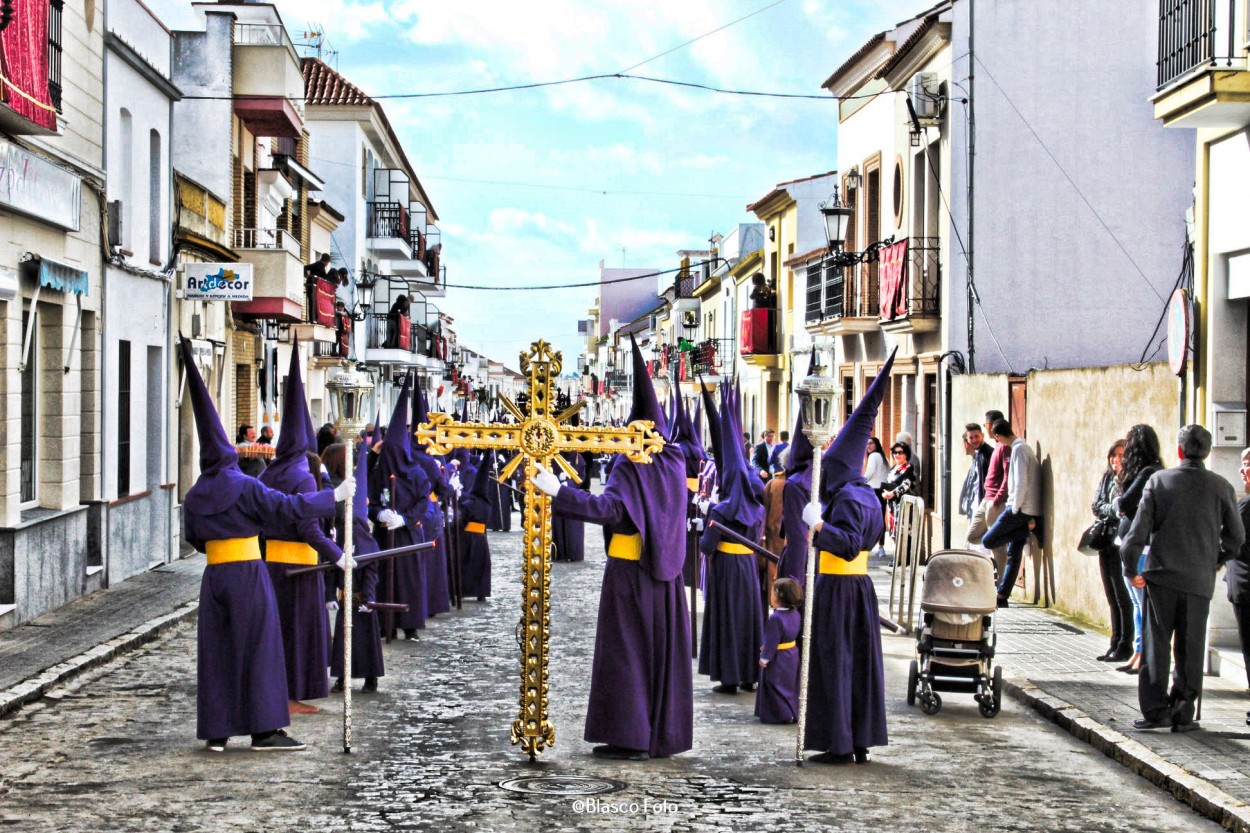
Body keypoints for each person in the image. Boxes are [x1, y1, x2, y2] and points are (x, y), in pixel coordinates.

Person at [178, 338, 350, 753]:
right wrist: (336, 497)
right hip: (247, 573)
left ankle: (217, 732)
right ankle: (264, 730)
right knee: (261, 647)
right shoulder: (243, 485)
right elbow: (288, 507)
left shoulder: (197, 493)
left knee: (218, 652)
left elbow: (195, 541)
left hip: (214, 575)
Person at [533, 336, 692, 760]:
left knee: (625, 656)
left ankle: (629, 735)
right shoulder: (673, 459)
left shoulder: (630, 460)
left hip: (628, 572)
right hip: (667, 576)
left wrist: (559, 492)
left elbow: (611, 509)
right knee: (657, 654)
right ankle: (658, 734)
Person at [799, 349, 895, 764]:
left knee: (837, 662)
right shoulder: (866, 495)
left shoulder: (852, 498)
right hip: (855, 588)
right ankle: (855, 741)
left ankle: (839, 744)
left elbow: (851, 542)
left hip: (841, 587)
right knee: (856, 664)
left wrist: (818, 527)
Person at [1122, 425, 1244, 732]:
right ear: (1207, 451)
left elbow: (1134, 536)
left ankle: (1155, 710)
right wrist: (1215, 559)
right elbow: (1236, 537)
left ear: (1179, 450)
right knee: (1191, 646)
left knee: (1156, 645)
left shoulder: (1159, 482)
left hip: (1161, 576)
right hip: (1198, 579)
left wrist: (1131, 569)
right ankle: (1184, 711)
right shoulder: (1221, 487)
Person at [258, 345, 342, 715]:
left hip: (270, 565)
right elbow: (309, 526)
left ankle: (281, 693)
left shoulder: (270, 472)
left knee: (277, 632)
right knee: (298, 633)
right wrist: (338, 557)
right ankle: (291, 698)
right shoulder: (302, 478)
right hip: (300, 568)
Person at [698, 383, 765, 695]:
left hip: (726, 569)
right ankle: (749, 676)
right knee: (749, 619)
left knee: (728, 620)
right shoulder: (757, 506)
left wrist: (701, 525)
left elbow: (706, 545)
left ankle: (728, 678)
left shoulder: (721, 509)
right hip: (749, 567)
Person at [371, 375, 437, 640]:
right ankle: (385, 623)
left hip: (408, 534)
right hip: (384, 535)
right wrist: (378, 513)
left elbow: (424, 502)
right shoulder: (379, 472)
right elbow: (370, 499)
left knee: (408, 580)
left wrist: (405, 519)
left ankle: (409, 624)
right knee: (385, 578)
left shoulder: (417, 473)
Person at [327, 441, 383, 694]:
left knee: (366, 641)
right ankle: (342, 676)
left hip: (362, 595)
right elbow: (333, 567)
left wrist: (369, 598)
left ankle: (371, 676)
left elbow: (370, 567)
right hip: (346, 593)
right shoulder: (341, 528)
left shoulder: (358, 527)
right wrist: (332, 594)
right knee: (343, 641)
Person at [1113, 424, 1165, 675]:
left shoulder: (1149, 472)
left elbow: (1124, 503)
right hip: (1131, 544)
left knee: (1142, 604)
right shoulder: (1145, 471)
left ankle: (1144, 654)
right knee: (1136, 605)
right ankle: (1137, 652)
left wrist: (1116, 504)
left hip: (1142, 548)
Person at [982, 420, 1041, 607]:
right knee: (1014, 553)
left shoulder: (1019, 450)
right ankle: (1002, 596)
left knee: (988, 540)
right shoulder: (1022, 448)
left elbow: (1020, 482)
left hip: (1020, 509)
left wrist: (1014, 508)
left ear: (998, 436)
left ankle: (1028, 527)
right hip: (1024, 507)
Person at [1092, 440, 1133, 663]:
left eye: (1120, 455)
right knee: (1111, 595)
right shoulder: (1107, 477)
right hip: (1105, 539)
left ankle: (1125, 643)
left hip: (1120, 541)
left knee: (1122, 595)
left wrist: (1110, 509)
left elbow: (1123, 508)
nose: (1116, 460)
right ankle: (1115, 640)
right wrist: (1112, 509)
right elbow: (1096, 505)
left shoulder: (1129, 480)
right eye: (1113, 455)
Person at [1225, 446, 1250, 726]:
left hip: (1245, 587)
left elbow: (1229, 541)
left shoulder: (1245, 506)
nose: (1242, 471)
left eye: (1247, 465)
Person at [755, 577, 802, 725]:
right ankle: (793, 711)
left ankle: (782, 714)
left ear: (779, 596)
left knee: (775, 686)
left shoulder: (775, 618)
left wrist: (764, 658)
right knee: (789, 686)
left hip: (778, 657)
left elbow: (772, 642)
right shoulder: (795, 614)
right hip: (792, 653)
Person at [969, 411, 1009, 574]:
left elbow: (1007, 476)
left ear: (990, 426)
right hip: (987, 499)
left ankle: (999, 587)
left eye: (985, 426)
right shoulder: (996, 447)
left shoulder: (1003, 447)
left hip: (995, 502)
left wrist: (997, 499)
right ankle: (1002, 536)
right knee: (972, 536)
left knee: (998, 549)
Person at [880, 442, 917, 541]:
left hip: (903, 505)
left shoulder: (909, 468)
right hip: (892, 505)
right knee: (894, 534)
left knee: (903, 534)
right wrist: (885, 493)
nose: (897, 455)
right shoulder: (893, 468)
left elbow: (906, 484)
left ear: (906, 454)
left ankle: (905, 557)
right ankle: (897, 556)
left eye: (900, 452)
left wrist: (892, 493)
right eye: (895, 452)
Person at [863, 437, 889, 558]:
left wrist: (860, 481)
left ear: (876, 444)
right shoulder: (882, 457)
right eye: (866, 444)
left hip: (873, 490)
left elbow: (869, 473)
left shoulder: (874, 456)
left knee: (871, 519)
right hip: (882, 490)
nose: (868, 446)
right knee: (880, 518)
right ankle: (881, 547)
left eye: (871, 443)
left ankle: (867, 546)